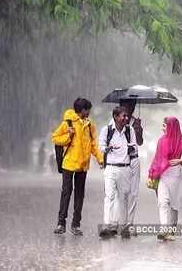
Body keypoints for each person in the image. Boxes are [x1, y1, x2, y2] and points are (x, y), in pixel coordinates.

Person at [52, 98, 103, 236]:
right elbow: (55, 138)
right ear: (82, 110)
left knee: (80, 195)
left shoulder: (89, 124)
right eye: (88, 110)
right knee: (66, 193)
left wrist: (100, 159)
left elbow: (93, 145)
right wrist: (68, 135)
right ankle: (61, 223)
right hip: (69, 164)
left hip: (83, 165)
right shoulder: (67, 122)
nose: (89, 113)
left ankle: (76, 224)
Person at [98, 106, 137, 239]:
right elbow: (101, 147)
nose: (126, 118)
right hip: (110, 168)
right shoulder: (106, 130)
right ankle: (107, 225)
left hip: (125, 168)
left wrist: (131, 149)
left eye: (126, 116)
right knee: (109, 196)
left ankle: (124, 226)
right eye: (123, 116)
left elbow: (135, 147)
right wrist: (107, 148)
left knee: (123, 198)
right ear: (115, 117)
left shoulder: (129, 130)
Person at [148, 117, 182, 241]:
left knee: (174, 205)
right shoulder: (161, 141)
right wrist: (152, 172)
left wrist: (180, 160)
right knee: (163, 202)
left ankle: (171, 230)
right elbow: (157, 158)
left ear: (172, 128)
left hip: (176, 177)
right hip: (163, 176)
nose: (162, 128)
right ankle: (164, 229)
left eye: (165, 126)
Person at [118, 99, 143, 232]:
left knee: (133, 193)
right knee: (123, 193)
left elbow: (140, 142)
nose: (130, 109)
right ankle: (122, 222)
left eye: (132, 106)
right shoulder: (114, 123)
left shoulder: (135, 122)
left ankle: (130, 223)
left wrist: (138, 129)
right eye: (127, 106)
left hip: (134, 160)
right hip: (121, 162)